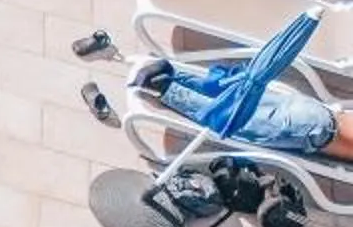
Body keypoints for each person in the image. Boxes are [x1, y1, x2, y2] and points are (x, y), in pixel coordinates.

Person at [136, 58, 353, 160]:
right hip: (313, 129)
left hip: (314, 110)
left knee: (239, 95)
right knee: (232, 120)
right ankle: (164, 87)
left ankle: (173, 75)